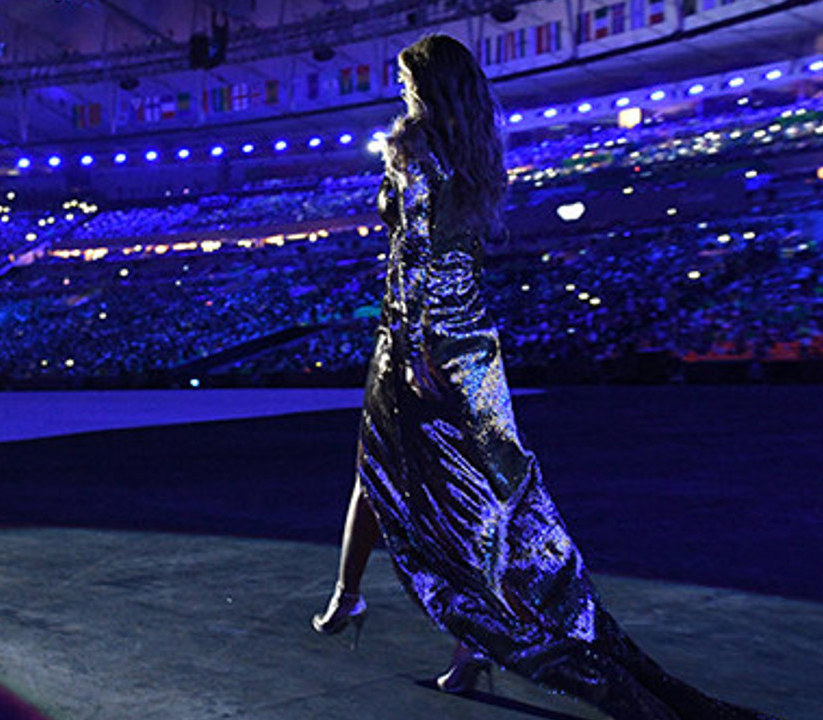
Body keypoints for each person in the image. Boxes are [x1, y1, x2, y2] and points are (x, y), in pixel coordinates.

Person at [310, 33, 779, 720]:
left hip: (418, 344)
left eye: (407, 82)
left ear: (427, 87)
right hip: (474, 349)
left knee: (379, 471)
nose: (402, 92)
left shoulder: (412, 143)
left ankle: (353, 600)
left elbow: (414, 253)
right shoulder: (475, 150)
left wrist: (410, 352)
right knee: (485, 500)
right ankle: (465, 644)